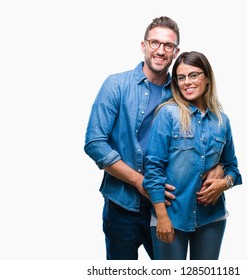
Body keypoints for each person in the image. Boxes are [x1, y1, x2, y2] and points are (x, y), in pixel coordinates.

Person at [84, 17, 225, 260]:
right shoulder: (116, 85)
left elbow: (209, 134)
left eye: (168, 45)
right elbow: (95, 143)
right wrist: (140, 182)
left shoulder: (184, 89)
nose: (160, 50)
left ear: (175, 52)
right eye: (155, 42)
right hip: (122, 205)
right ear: (143, 45)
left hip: (169, 207)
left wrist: (221, 168)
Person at [143, 51, 243, 260]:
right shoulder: (167, 114)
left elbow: (232, 166)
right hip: (171, 217)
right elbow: (153, 168)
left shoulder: (221, 121)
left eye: (194, 75)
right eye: (181, 77)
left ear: (207, 78)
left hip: (211, 218)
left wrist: (224, 183)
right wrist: (161, 215)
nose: (187, 82)